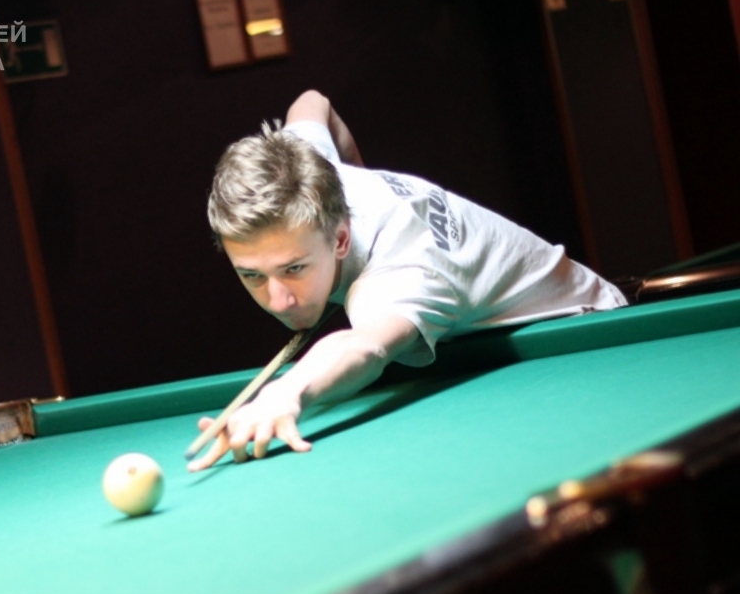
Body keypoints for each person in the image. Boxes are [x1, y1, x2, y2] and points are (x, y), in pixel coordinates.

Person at [187, 90, 627, 472]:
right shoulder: (305, 169)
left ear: (341, 239)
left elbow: (367, 346)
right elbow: (312, 102)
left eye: (294, 269)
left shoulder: (400, 272)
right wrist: (365, 175)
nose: (279, 299)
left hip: (589, 341)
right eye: (252, 275)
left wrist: (286, 392)